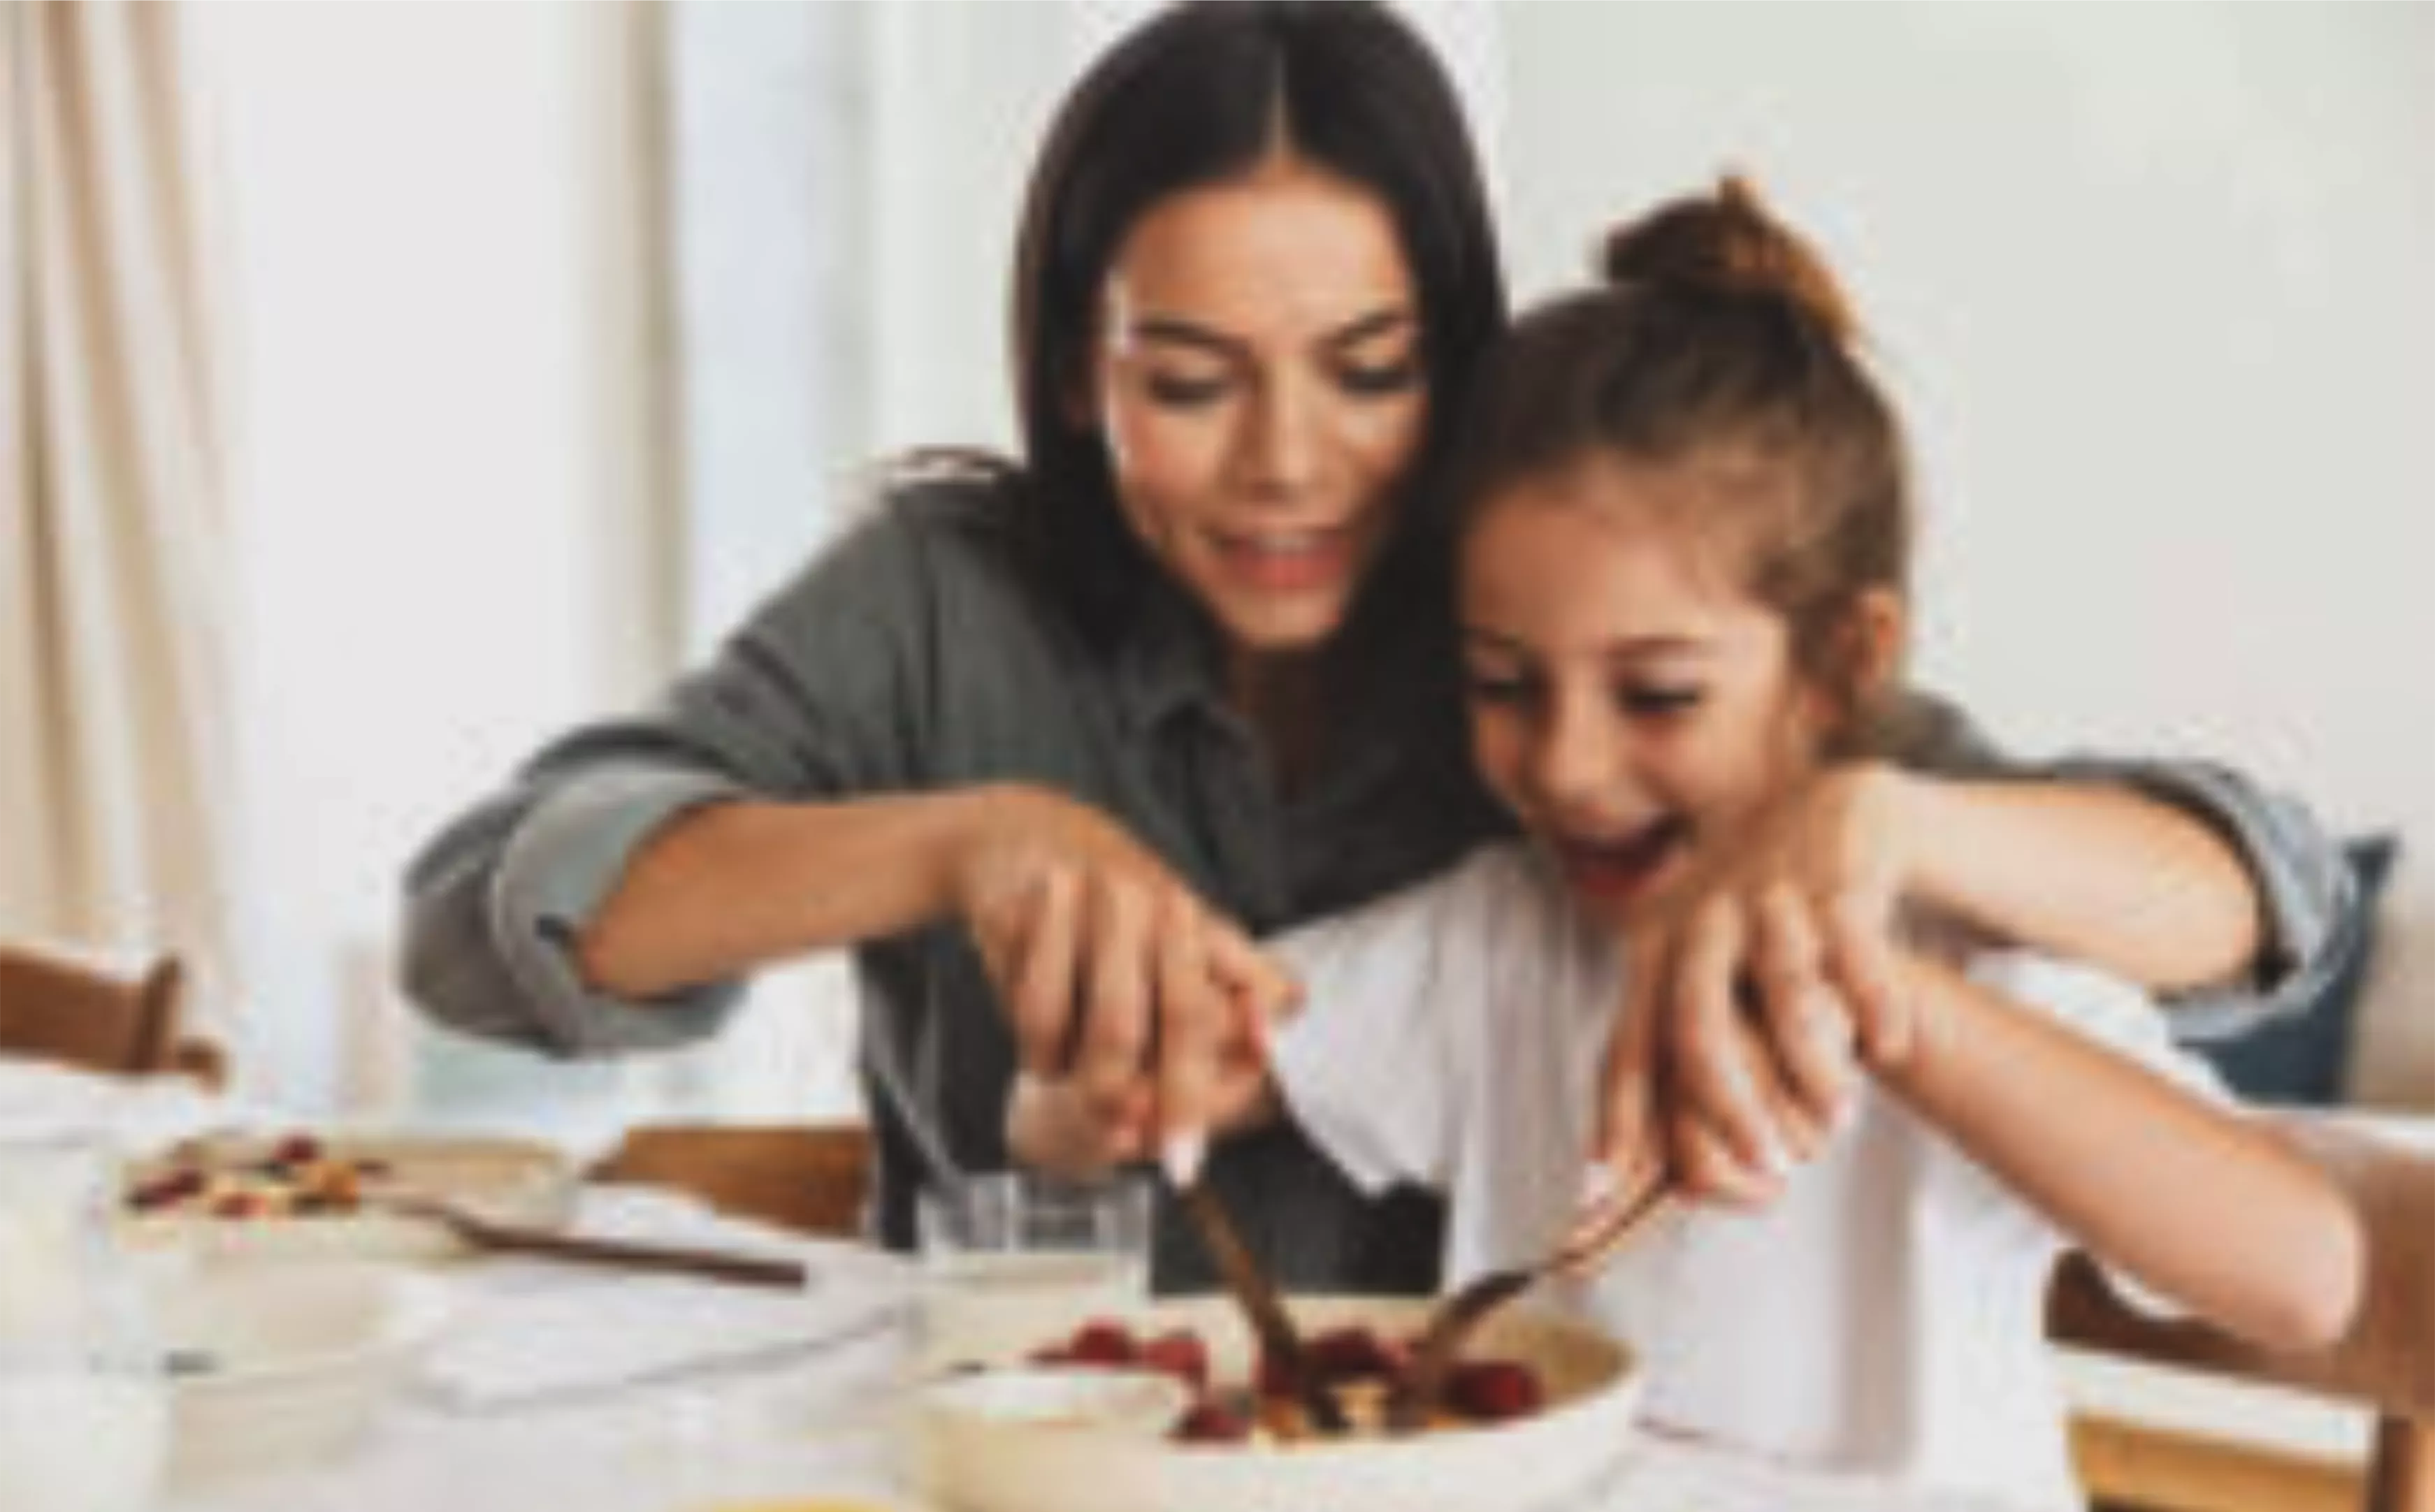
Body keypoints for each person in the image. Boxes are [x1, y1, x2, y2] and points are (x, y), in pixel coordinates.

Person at [402, 1, 2352, 1293]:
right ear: (1081, 372)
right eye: (1187, 379)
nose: (1285, 469)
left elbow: (2251, 893)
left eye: (1369, 369)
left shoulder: (1560, 638)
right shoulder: (942, 602)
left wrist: (1883, 827)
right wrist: (961, 841)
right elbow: (486, 913)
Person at [1013, 179, 2363, 1511]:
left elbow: (2306, 1277)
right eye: (1503, 682)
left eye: (1657, 693)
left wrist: (1893, 1015)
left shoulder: (1967, 954)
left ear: (1843, 660)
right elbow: (1070, 1116)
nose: (1566, 765)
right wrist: (1121, 1057)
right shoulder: (1495, 940)